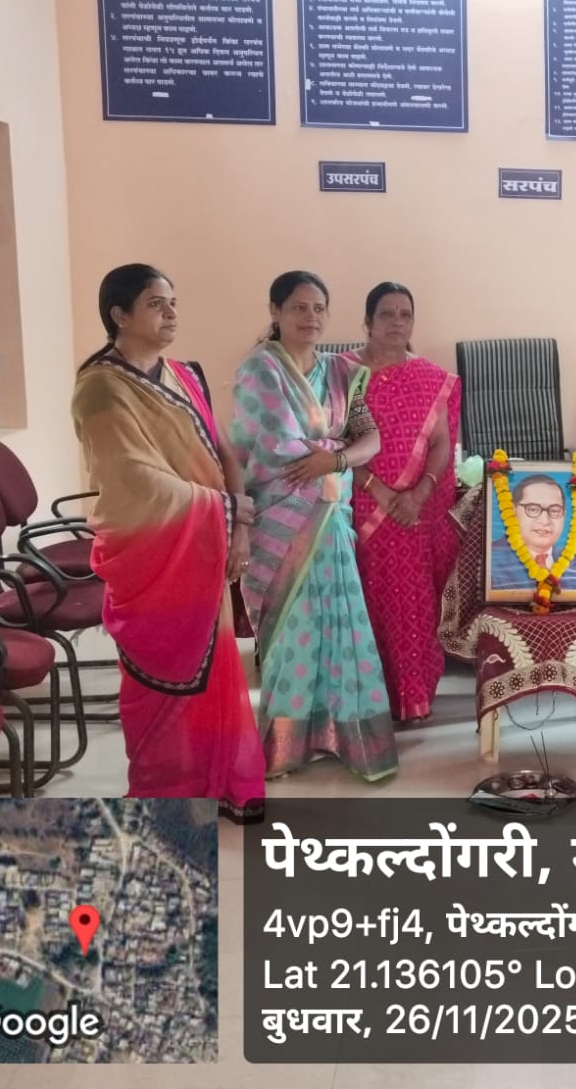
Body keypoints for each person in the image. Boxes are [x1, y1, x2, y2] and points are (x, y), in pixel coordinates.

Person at [70, 263, 265, 822]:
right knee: (161, 684)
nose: (172, 313)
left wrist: (238, 527)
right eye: (156, 304)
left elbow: (223, 452)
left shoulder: (183, 374)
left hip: (204, 546)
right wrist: (226, 510)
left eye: (173, 302)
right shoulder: (100, 389)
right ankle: (166, 795)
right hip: (152, 553)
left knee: (217, 667)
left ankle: (222, 779)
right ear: (119, 314)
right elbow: (134, 479)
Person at [231, 271, 396, 781]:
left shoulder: (342, 372)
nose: (311, 317)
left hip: (330, 514)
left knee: (341, 627)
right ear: (275, 311)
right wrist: (337, 450)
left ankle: (338, 736)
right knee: (294, 632)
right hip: (282, 519)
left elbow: (370, 439)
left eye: (319, 308)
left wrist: (337, 460)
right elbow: (276, 445)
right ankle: (285, 745)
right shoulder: (259, 370)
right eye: (299, 307)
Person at [344, 282, 460, 725]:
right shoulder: (342, 374)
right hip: (358, 506)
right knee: (364, 602)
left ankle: (413, 695)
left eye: (405, 314)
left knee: (412, 603)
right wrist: (378, 489)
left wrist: (419, 493)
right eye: (386, 314)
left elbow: (441, 442)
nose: (397, 322)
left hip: (414, 511)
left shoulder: (430, 377)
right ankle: (368, 701)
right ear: (367, 321)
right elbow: (333, 441)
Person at [488, 474, 576, 594]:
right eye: (533, 509)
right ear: (513, 511)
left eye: (555, 510)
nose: (545, 521)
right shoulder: (491, 559)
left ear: (564, 514)